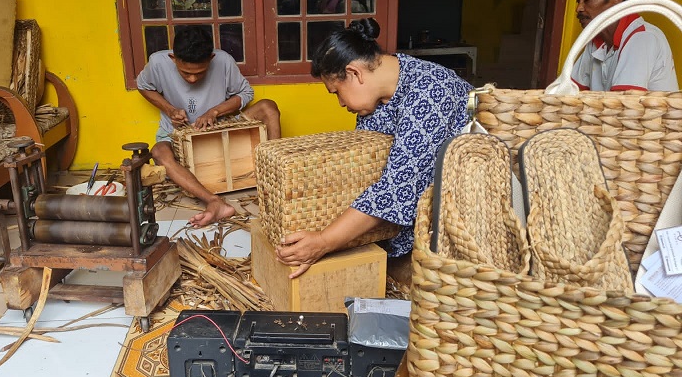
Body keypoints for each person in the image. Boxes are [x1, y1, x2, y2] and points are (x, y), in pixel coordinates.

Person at [275, 18, 472, 278]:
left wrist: (324, 241)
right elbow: (365, 168)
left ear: (355, 73)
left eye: (336, 92)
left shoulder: (431, 90)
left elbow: (396, 188)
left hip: (459, 217)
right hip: (405, 219)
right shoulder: (375, 101)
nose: (341, 104)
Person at [137, 25, 281, 227]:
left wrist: (214, 112)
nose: (193, 79)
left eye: (200, 72)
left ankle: (274, 182)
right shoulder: (158, 62)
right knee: (159, 151)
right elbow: (143, 86)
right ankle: (215, 202)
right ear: (173, 59)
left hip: (221, 127)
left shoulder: (223, 61)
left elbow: (246, 93)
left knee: (268, 107)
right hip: (176, 133)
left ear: (211, 59)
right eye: (185, 73)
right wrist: (169, 110)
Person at [572, 0, 677, 91]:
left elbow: (622, 108)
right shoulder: (596, 41)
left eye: (587, 0)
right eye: (577, 0)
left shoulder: (642, 38)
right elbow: (569, 95)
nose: (578, 8)